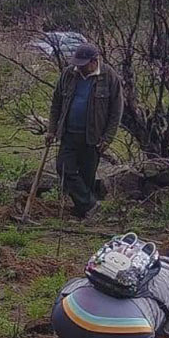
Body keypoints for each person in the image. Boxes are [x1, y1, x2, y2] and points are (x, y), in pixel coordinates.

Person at [47, 43, 123, 218]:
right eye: (77, 63)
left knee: (87, 176)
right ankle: (90, 205)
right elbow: (56, 103)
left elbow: (116, 111)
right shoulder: (68, 74)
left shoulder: (109, 77)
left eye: (83, 64)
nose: (79, 67)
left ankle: (84, 212)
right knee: (64, 168)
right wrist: (52, 129)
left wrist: (108, 138)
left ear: (94, 62)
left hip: (93, 137)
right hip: (69, 133)